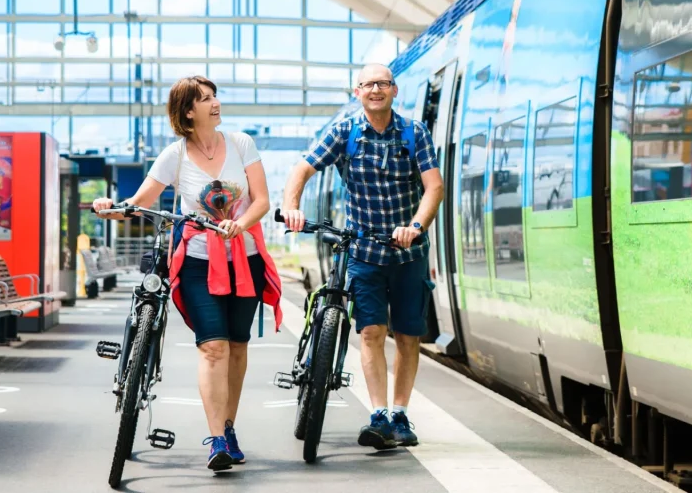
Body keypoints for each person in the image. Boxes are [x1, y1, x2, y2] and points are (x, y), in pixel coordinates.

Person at [92, 75, 282, 472]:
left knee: (237, 347)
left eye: (215, 97)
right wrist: (110, 207)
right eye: (206, 99)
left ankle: (228, 427)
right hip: (198, 263)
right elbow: (140, 201)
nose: (215, 104)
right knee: (213, 346)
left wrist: (240, 223)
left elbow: (262, 200)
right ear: (188, 111)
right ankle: (216, 440)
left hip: (244, 260)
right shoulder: (173, 155)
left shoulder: (242, 144)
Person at [281, 63, 444, 450]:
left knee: (407, 335)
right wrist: (292, 206)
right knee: (370, 332)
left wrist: (416, 226)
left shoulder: (414, 133)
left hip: (409, 253)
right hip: (365, 253)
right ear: (357, 92)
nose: (376, 90)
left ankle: (400, 414)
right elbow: (302, 169)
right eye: (369, 84)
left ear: (394, 90)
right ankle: (378, 414)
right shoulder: (345, 132)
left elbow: (433, 187)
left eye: (383, 84)